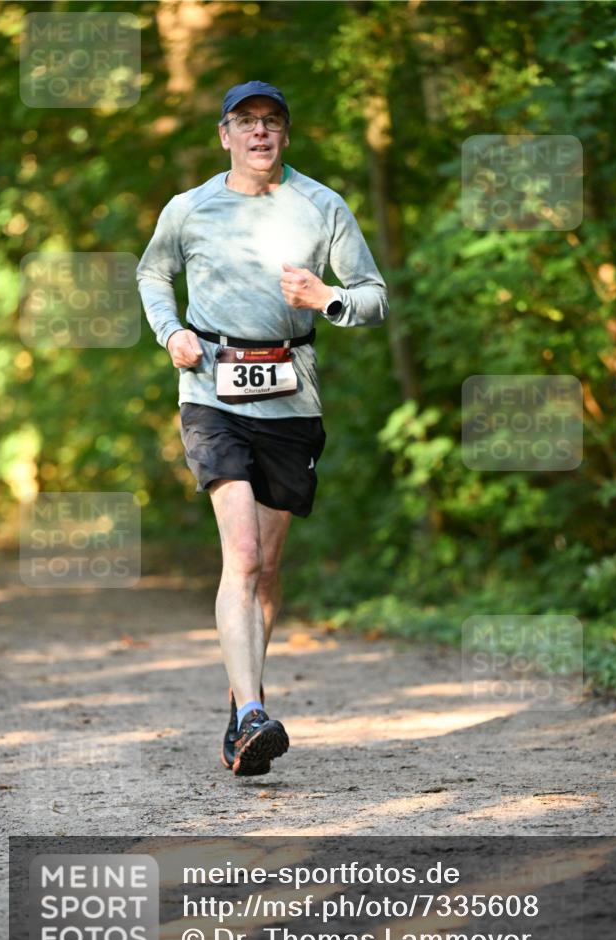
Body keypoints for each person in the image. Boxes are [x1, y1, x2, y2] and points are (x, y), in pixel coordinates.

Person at [136, 80, 388, 777]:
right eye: (245, 122)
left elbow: (373, 298)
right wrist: (171, 332)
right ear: (224, 135)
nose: (259, 132)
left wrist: (327, 298)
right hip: (209, 391)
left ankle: (240, 702)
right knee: (242, 556)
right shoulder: (189, 208)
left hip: (291, 400)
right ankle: (252, 712)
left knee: (268, 569)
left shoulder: (322, 205)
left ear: (285, 134)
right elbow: (153, 274)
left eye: (271, 121)